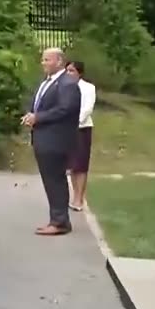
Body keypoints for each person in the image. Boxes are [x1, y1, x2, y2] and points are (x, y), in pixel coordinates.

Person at [21, 47, 82, 236]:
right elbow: (43, 105)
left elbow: (65, 109)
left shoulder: (67, 83)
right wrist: (31, 116)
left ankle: (60, 222)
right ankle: (57, 219)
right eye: (43, 60)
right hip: (43, 138)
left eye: (47, 60)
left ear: (59, 61)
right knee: (51, 180)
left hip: (56, 140)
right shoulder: (48, 82)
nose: (43, 63)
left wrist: (38, 117)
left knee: (55, 180)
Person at [66, 60, 96, 211]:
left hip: (82, 128)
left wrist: (75, 123)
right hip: (67, 129)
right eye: (67, 71)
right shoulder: (64, 87)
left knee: (81, 164)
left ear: (80, 73)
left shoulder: (88, 88)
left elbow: (87, 109)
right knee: (71, 165)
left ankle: (80, 198)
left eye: (72, 71)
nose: (69, 74)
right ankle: (75, 196)